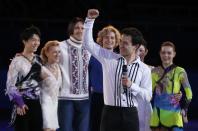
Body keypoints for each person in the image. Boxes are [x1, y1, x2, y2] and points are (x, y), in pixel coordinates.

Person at [83, 9, 152, 131]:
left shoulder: (144, 69)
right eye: (120, 42)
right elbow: (88, 43)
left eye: (125, 43)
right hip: (110, 113)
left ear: (135, 46)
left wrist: (132, 86)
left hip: (131, 114)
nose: (120, 45)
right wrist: (89, 20)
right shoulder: (109, 58)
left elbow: (147, 96)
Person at [6, 25, 43, 131]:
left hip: (37, 104)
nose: (36, 43)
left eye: (38, 40)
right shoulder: (17, 61)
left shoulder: (39, 60)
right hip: (22, 105)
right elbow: (10, 85)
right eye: (33, 40)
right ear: (24, 41)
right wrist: (19, 103)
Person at [150, 41, 193, 131]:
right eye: (163, 52)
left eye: (169, 53)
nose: (166, 55)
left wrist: (185, 108)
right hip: (157, 116)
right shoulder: (154, 72)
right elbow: (149, 93)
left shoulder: (180, 71)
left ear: (174, 54)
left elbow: (189, 93)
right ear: (160, 54)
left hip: (174, 116)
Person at [58, 17, 90, 131]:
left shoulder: (89, 48)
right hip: (65, 97)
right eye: (77, 27)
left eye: (82, 28)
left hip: (84, 98)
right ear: (71, 29)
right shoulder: (60, 46)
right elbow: (45, 58)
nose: (80, 30)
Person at [89, 25, 121, 131]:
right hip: (97, 98)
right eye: (106, 37)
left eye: (112, 38)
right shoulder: (93, 56)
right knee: (96, 126)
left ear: (116, 40)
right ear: (101, 40)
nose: (109, 40)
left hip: (113, 98)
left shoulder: (120, 59)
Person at [40, 40, 62, 131]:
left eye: (59, 52)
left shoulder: (59, 67)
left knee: (53, 129)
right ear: (47, 53)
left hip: (55, 103)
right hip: (44, 104)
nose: (57, 54)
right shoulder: (41, 69)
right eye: (54, 52)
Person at [136, 41, 153, 131]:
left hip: (146, 106)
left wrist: (178, 93)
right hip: (132, 106)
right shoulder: (127, 67)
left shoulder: (152, 70)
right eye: (137, 50)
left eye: (141, 50)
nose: (139, 53)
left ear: (146, 52)